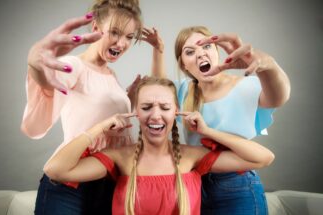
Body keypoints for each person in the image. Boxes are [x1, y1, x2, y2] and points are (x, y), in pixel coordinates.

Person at [43, 76, 275, 215]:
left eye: (164, 108)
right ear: (135, 113)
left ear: (176, 111)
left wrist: (207, 131)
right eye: (146, 107)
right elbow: (56, 170)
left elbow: (263, 158)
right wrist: (99, 128)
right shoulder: (119, 157)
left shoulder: (190, 157)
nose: (155, 116)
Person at [20, 0, 164, 214]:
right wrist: (35, 65)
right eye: (115, 33)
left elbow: (158, 97)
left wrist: (129, 97)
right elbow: (49, 83)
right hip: (71, 184)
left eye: (129, 37)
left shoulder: (111, 76)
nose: (122, 43)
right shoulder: (75, 66)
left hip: (107, 183)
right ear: (95, 28)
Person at [168, 26, 291, 214]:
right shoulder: (184, 90)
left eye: (207, 47)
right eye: (190, 52)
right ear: (184, 64)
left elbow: (279, 98)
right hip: (195, 184)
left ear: (217, 52)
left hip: (237, 185)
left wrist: (269, 65)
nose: (201, 54)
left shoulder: (244, 86)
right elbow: (157, 91)